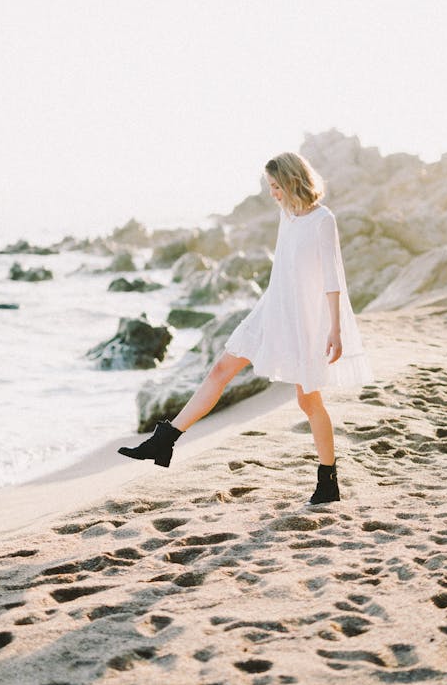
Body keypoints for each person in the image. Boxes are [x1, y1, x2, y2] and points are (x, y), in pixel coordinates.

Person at [119, 152, 373, 503]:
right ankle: (164, 441)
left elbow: (332, 279)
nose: (273, 194)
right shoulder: (288, 215)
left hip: (303, 319)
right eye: (270, 187)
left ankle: (328, 481)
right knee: (220, 368)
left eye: (275, 186)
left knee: (308, 400)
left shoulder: (322, 220)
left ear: (291, 181)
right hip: (271, 309)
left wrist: (335, 330)